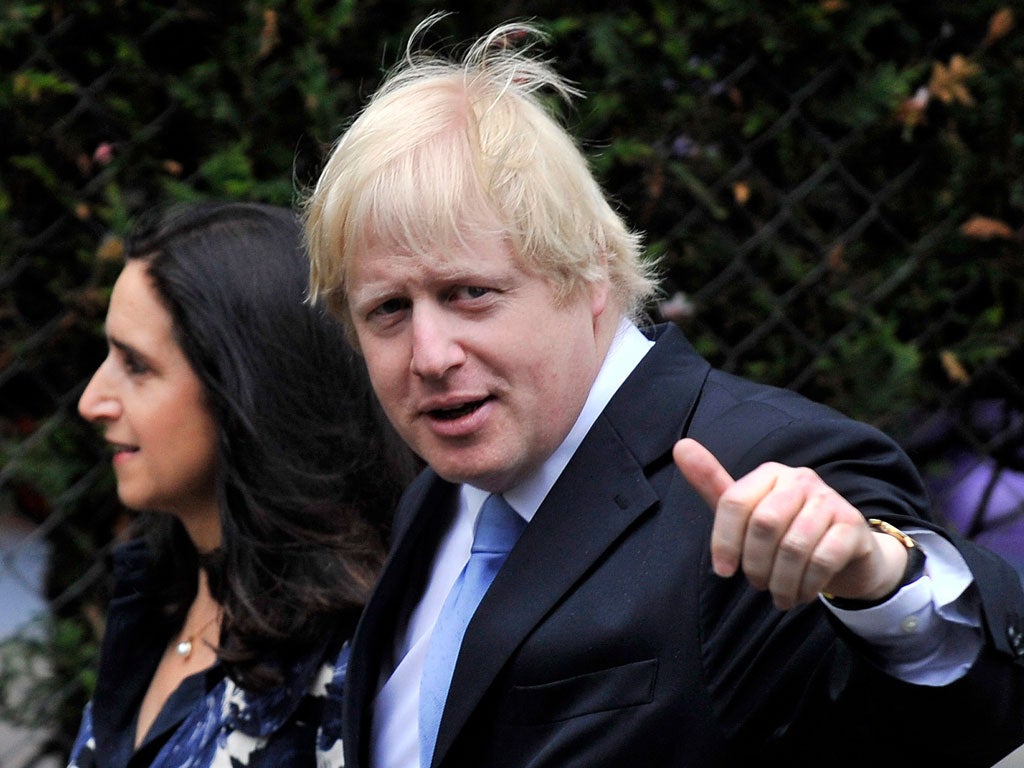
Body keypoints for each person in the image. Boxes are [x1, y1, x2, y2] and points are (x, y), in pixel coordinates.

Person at [303, 17, 1024, 768]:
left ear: (587, 277)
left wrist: (877, 578)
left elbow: (969, 716)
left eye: (471, 294)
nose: (429, 355)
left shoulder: (761, 471)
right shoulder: (441, 500)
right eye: (388, 309)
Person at [69, 201, 417, 768]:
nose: (91, 402)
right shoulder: (155, 590)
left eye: (136, 366)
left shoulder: (351, 665)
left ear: (242, 390)